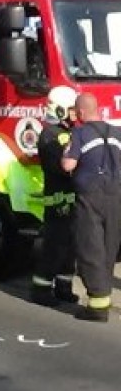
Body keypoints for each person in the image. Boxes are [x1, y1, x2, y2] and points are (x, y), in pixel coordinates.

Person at [61, 92, 121, 322]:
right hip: (116, 194)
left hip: (90, 196)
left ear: (82, 112)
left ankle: (97, 306)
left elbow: (68, 164)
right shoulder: (116, 131)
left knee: (90, 246)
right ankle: (103, 295)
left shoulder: (79, 132)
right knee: (109, 245)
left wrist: (64, 151)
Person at [30, 86, 79, 307]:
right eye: (71, 110)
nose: (75, 114)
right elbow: (62, 167)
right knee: (54, 247)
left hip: (70, 202)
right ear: (60, 110)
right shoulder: (51, 136)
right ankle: (41, 290)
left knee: (69, 249)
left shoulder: (66, 133)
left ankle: (63, 287)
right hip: (57, 203)